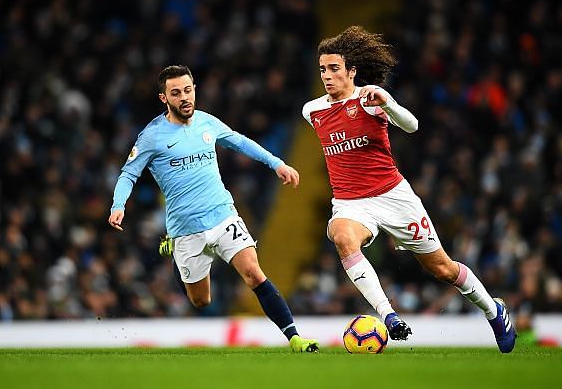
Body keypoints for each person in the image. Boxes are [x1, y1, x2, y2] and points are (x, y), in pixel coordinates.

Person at [301, 26, 516, 353]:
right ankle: (388, 315)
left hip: (393, 196)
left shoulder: (370, 98)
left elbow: (412, 125)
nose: (327, 76)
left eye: (334, 68)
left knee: (442, 268)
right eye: (322, 70)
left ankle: (493, 310)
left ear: (351, 71)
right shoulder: (312, 110)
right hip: (350, 202)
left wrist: (387, 104)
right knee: (343, 237)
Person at [108, 65, 319, 353]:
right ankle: (176, 258)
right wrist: (118, 205)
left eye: (188, 90)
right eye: (176, 93)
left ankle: (295, 337)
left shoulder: (207, 122)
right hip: (185, 229)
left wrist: (277, 163)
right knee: (201, 300)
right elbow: (129, 173)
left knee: (254, 273)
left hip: (223, 214)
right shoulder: (152, 136)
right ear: (163, 98)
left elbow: (240, 142)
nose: (184, 97)